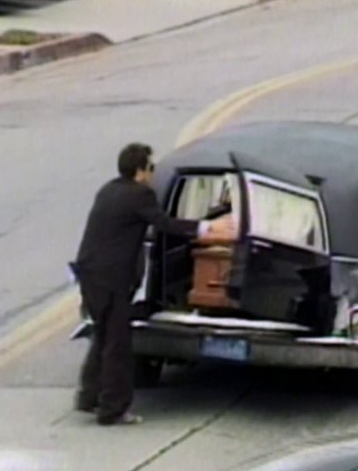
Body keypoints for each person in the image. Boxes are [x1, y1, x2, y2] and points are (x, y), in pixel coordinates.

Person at [73, 143, 236, 425]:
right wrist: (207, 227)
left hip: (89, 274)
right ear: (140, 171)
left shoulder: (109, 189)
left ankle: (89, 396)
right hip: (112, 279)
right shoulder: (140, 194)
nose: (152, 173)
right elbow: (165, 224)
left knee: (102, 336)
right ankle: (113, 408)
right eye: (150, 167)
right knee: (118, 346)